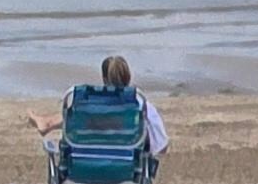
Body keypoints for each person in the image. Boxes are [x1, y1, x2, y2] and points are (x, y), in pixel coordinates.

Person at [30, 54, 171, 159]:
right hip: (128, 164)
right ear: (128, 76)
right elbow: (161, 147)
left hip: (89, 163)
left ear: (104, 79)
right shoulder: (140, 106)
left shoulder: (92, 106)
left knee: (81, 116)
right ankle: (47, 123)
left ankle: (48, 123)